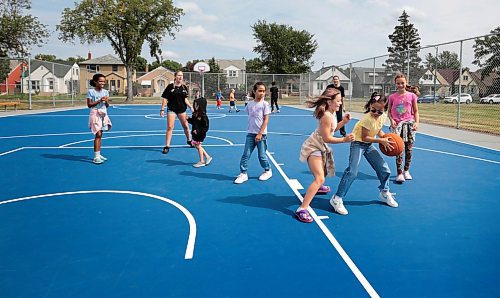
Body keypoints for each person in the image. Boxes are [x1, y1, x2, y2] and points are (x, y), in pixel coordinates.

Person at [330, 92, 399, 215]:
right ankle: (337, 198)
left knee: (384, 169)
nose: (376, 113)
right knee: (352, 171)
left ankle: (384, 192)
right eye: (374, 109)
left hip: (368, 145)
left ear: (384, 109)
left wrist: (388, 139)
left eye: (380, 111)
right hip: (358, 144)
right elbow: (365, 137)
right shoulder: (367, 118)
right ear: (370, 105)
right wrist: (380, 140)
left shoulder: (382, 117)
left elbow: (378, 131)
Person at [295, 88, 355, 223]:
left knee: (323, 172)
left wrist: (343, 123)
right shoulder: (327, 116)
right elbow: (327, 138)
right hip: (314, 147)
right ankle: (302, 209)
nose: (340, 103)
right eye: (338, 101)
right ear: (329, 101)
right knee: (319, 178)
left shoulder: (331, 114)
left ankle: (319, 186)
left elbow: (331, 129)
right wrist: (344, 140)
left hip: (320, 146)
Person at [234, 82, 272, 184]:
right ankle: (243, 174)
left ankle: (267, 170)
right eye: (260, 91)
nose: (262, 93)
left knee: (262, 155)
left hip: (261, 134)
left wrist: (260, 133)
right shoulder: (250, 104)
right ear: (254, 91)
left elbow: (266, 120)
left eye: (263, 91)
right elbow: (249, 114)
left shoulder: (265, 104)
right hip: (250, 133)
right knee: (246, 154)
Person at [387, 74, 420, 183]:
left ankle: (406, 170)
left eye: (402, 83)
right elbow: (389, 112)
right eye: (398, 83)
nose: (400, 85)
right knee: (399, 150)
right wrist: (392, 121)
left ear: (406, 83)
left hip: (409, 126)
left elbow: (415, 111)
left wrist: (416, 122)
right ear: (395, 84)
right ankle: (399, 173)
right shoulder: (392, 97)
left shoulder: (412, 96)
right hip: (397, 126)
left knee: (409, 150)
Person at [160, 70, 194, 154]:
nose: (180, 77)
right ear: (175, 76)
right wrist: (162, 109)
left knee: (186, 126)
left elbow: (185, 99)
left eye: (181, 75)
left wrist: (190, 107)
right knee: (170, 127)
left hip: (182, 110)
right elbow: (165, 98)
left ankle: (189, 140)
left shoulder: (184, 87)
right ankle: (167, 146)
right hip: (172, 109)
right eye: (179, 75)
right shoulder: (170, 86)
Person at [87, 73, 112, 164]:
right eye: (100, 81)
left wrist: (106, 102)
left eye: (104, 81)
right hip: (95, 113)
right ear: (95, 81)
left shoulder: (105, 92)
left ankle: (98, 154)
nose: (102, 83)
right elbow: (89, 105)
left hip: (103, 113)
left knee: (100, 134)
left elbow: (108, 105)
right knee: (97, 134)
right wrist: (99, 101)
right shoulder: (91, 92)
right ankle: (96, 157)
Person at [187, 96, 212, 168]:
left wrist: (198, 130)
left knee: (198, 146)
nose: (195, 106)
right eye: (194, 105)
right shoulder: (195, 114)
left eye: (197, 105)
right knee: (196, 146)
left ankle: (201, 161)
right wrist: (188, 119)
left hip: (200, 134)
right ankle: (207, 156)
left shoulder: (203, 116)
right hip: (195, 133)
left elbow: (205, 127)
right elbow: (194, 122)